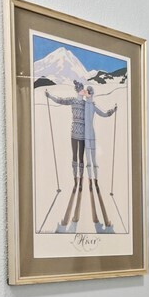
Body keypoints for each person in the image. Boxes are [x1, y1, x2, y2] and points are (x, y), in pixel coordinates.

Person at [47, 81, 117, 233]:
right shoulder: (74, 101)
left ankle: (82, 178)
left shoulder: (87, 104)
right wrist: (50, 96)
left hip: (85, 135)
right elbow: (61, 100)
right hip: (75, 132)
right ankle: (76, 179)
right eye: (81, 90)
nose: (83, 92)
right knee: (75, 156)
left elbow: (100, 112)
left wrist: (111, 112)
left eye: (84, 90)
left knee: (81, 157)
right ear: (77, 91)